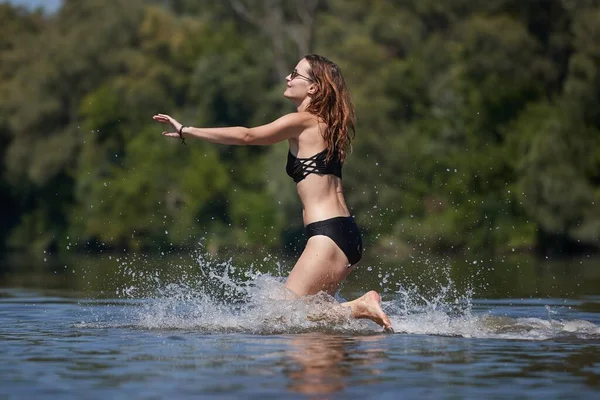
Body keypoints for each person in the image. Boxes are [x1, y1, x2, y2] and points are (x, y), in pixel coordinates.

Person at [153, 54, 392, 331]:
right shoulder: (328, 126)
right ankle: (356, 312)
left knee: (278, 317)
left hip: (327, 236)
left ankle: (358, 307)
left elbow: (248, 136)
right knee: (308, 321)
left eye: (295, 74)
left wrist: (187, 130)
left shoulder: (303, 121)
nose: (288, 78)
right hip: (345, 234)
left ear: (313, 88)